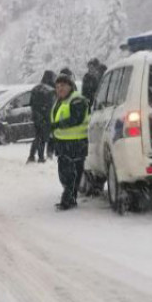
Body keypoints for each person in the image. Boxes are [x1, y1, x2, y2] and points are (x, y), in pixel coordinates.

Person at [51, 73, 90, 211]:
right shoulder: (59, 101)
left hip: (76, 142)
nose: (59, 89)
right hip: (62, 143)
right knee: (63, 173)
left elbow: (76, 119)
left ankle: (68, 199)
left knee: (71, 173)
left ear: (70, 86)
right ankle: (70, 196)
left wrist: (57, 125)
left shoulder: (77, 99)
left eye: (62, 86)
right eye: (57, 87)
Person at [27, 70, 56, 164]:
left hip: (36, 115)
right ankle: (40, 157)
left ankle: (31, 155)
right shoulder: (50, 90)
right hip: (45, 116)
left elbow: (31, 103)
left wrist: (36, 113)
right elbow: (51, 105)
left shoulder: (35, 88)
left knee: (38, 136)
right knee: (43, 137)